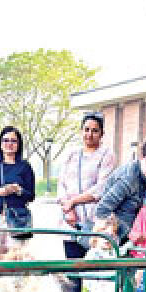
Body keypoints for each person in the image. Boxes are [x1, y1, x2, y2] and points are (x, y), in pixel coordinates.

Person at [58, 111, 118, 266]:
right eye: (86, 129)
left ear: (102, 133)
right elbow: (61, 183)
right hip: (70, 222)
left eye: (95, 130)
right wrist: (68, 208)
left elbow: (102, 188)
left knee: (94, 271)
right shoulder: (71, 154)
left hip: (94, 224)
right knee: (72, 271)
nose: (89, 134)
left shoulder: (107, 154)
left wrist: (73, 201)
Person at [93, 137, 146, 242]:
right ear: (141, 157)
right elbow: (101, 210)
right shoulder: (129, 178)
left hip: (123, 241)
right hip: (107, 244)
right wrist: (130, 233)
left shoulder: (145, 177)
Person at [0, 126, 36, 231]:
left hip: (17, 218)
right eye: (5, 140)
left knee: (15, 248)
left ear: (18, 145)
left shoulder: (25, 166)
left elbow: (31, 196)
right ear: (0, 143)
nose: (9, 144)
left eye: (14, 141)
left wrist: (18, 190)